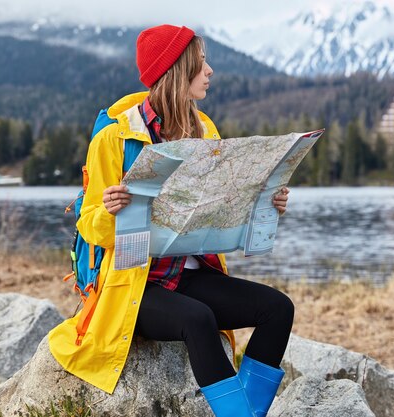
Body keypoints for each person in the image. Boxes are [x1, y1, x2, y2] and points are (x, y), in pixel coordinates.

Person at [48, 24, 294, 417]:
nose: (210, 71)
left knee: (278, 309)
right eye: (200, 63)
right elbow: (88, 224)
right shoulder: (114, 138)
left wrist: (264, 203)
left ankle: (246, 413)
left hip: (191, 273)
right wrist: (111, 210)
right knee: (199, 319)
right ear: (177, 71)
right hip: (134, 282)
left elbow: (218, 205)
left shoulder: (206, 129)